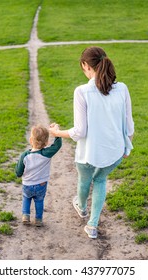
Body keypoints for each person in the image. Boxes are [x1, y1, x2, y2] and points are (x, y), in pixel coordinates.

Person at [49, 46, 134, 238]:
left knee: (85, 180)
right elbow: (129, 125)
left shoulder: (82, 92)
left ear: (86, 65)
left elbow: (79, 132)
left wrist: (56, 132)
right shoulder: (122, 89)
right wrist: (127, 145)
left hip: (89, 152)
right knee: (101, 180)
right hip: (115, 151)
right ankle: (92, 226)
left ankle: (81, 207)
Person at [16, 124, 62, 226]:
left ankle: (25, 216)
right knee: (39, 201)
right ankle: (38, 219)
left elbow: (19, 170)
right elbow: (57, 146)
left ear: (31, 140)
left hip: (27, 184)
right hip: (41, 184)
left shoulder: (25, 155)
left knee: (26, 198)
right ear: (46, 143)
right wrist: (57, 134)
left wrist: (18, 173)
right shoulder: (47, 153)